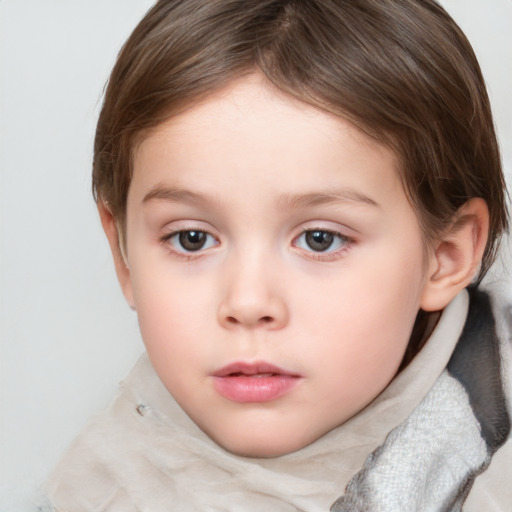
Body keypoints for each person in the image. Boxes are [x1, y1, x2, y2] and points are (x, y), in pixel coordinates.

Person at [43, 0, 511, 510]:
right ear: (123, 254)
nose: (247, 302)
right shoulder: (95, 491)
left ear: (444, 254)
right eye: (191, 238)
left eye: (320, 239)